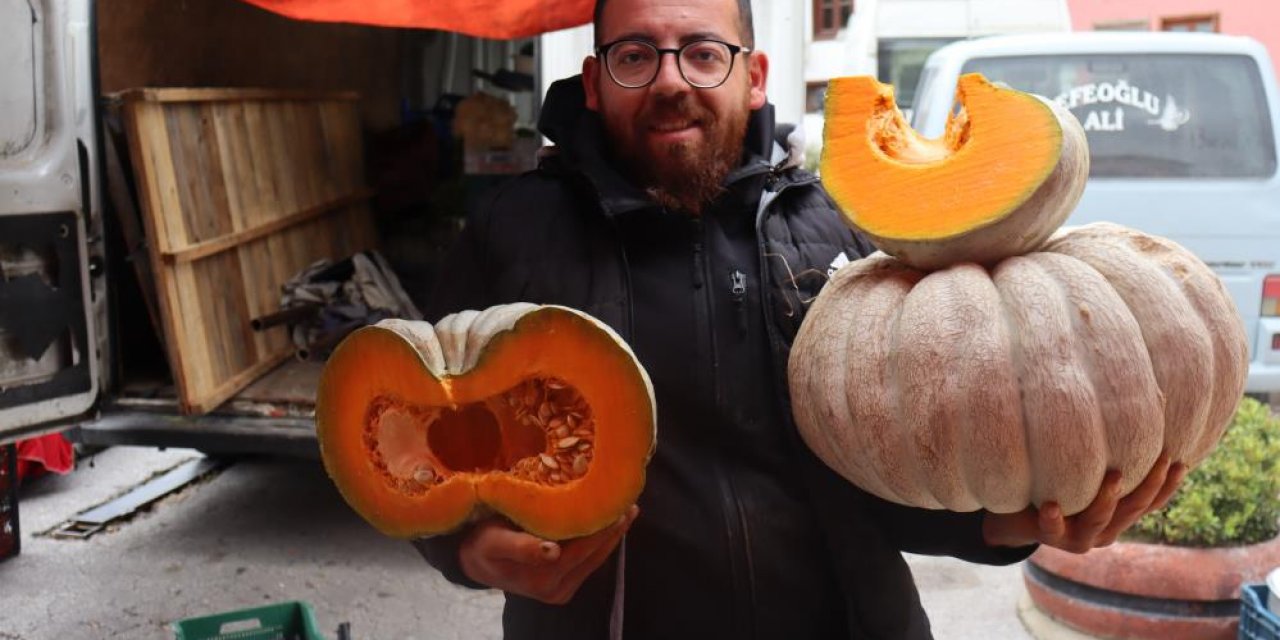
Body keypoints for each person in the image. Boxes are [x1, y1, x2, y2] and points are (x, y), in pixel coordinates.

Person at [414, 0, 1186, 637]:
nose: (671, 80)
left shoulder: (845, 229)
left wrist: (1016, 524)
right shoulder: (511, 231)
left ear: (754, 77)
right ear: (594, 81)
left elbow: (909, 469)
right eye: (636, 55)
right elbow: (414, 435)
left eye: (704, 52)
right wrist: (469, 548)